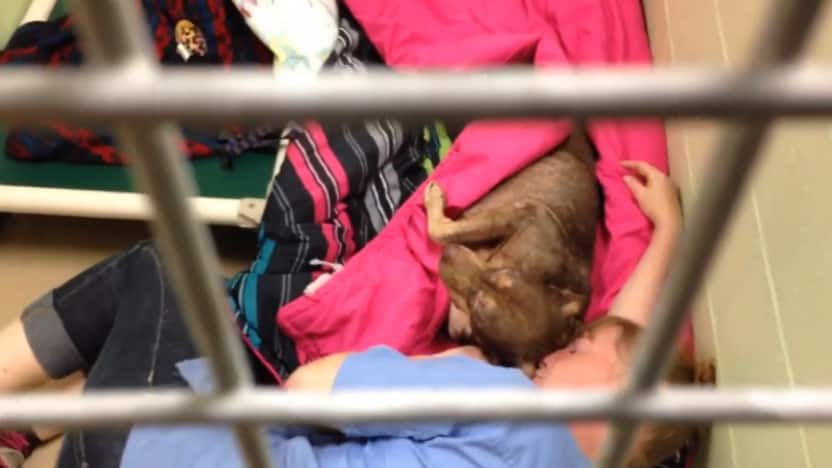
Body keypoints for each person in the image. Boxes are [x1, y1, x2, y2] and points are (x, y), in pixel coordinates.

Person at [0, 160, 705, 468]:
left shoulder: (508, 399)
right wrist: (667, 235)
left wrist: (438, 366)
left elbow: (311, 390)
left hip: (138, 454)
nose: (560, 349)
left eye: (573, 353)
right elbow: (620, 352)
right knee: (210, 344)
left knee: (163, 271)